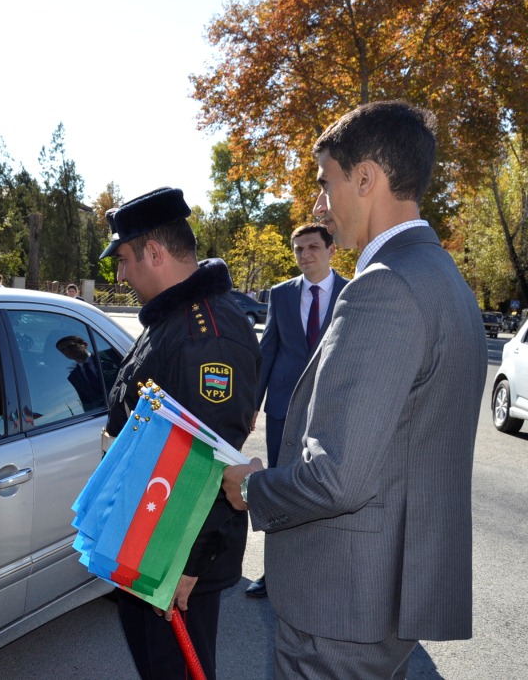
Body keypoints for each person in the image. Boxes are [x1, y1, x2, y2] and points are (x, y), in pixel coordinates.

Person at [222, 100, 488, 679]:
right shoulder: (443, 278)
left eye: (326, 181)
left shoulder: (382, 288)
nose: (320, 203)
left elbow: (337, 476)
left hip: (340, 607)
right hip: (384, 595)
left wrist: (252, 488)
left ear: (365, 178)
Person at [100, 187, 261, 680]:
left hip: (175, 553)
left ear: (155, 252)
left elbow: (217, 458)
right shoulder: (170, 315)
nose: (121, 275)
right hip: (145, 534)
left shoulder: (207, 334)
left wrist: (188, 563)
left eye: (124, 260)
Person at [245, 222, 348, 599]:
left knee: (325, 490)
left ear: (331, 250)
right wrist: (253, 405)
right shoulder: (281, 294)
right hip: (283, 409)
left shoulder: (352, 292)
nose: (305, 255)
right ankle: (275, 573)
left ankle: (320, 571)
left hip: (331, 407)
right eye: (298, 249)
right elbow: (268, 351)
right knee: (279, 485)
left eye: (312, 248)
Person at [54, 334, 107, 409]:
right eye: (63, 350)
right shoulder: (73, 377)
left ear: (84, 344)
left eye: (71, 346)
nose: (68, 351)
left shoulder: (109, 355)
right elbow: (86, 402)